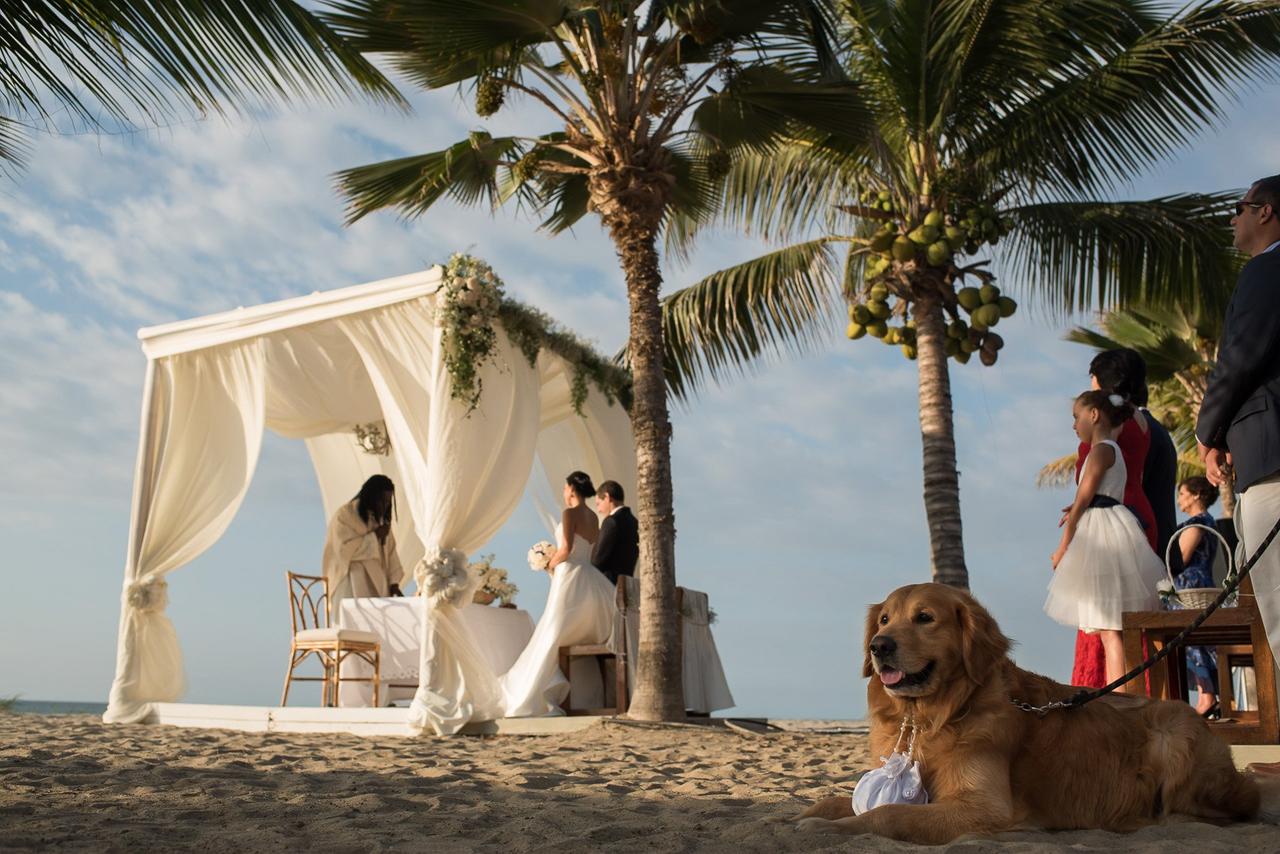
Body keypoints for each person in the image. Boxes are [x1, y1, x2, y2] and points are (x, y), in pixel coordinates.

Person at [1196, 175, 1280, 761]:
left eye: (1240, 209)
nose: (1233, 220)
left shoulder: (1266, 271)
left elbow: (1240, 358)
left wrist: (1209, 431)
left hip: (1271, 459)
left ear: (1267, 213)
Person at [1045, 391, 1165, 685]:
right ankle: (1121, 694)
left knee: (1111, 631)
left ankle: (1119, 698)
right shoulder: (1110, 449)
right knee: (1109, 630)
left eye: (1077, 417)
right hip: (1108, 525)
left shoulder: (1102, 450)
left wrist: (1063, 548)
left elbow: (1083, 499)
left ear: (1094, 415)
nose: (1074, 425)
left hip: (1102, 532)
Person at [500, 471, 618, 717]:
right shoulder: (593, 518)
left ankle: (543, 694)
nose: (564, 493)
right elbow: (589, 549)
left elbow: (565, 548)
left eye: (565, 488)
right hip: (589, 576)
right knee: (562, 632)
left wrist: (549, 563)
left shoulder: (570, 514)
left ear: (572, 489)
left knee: (553, 632)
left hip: (569, 576)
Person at [1170, 476, 1221, 717]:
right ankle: (1206, 694)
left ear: (1196, 494)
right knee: (1196, 640)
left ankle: (1206, 695)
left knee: (1194, 640)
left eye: (1182, 493)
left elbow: (1182, 557)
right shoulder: (1208, 522)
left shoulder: (1197, 524)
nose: (1179, 498)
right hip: (1203, 583)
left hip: (1192, 587)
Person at [322, 475, 404, 620]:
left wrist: (394, 584)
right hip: (349, 586)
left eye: (388, 502)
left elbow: (391, 554)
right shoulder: (345, 515)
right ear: (370, 496)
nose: (385, 506)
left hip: (377, 589)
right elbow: (344, 552)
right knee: (352, 629)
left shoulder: (381, 521)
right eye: (381, 500)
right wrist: (374, 537)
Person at [591, 480, 639, 585]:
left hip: (607, 584)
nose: (598, 510)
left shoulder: (611, 521)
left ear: (607, 497)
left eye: (598, 504)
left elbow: (598, 559)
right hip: (627, 584)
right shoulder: (635, 523)